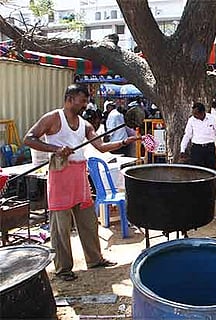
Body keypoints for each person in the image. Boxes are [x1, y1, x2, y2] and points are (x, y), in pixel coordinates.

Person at [23, 84, 139, 281]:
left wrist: (123, 143)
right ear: (69, 99)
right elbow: (29, 138)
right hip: (60, 174)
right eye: (82, 101)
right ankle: (63, 269)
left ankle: (94, 259)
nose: (85, 105)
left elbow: (101, 146)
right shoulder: (53, 118)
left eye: (86, 101)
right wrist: (55, 149)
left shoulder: (85, 124)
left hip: (79, 175)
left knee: (88, 221)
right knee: (61, 226)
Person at [180, 102, 216, 201]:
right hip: (197, 149)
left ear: (202, 112)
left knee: (212, 171)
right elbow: (187, 135)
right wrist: (182, 149)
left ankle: (214, 193)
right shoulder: (191, 120)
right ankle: (197, 193)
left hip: (209, 148)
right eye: (193, 113)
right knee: (197, 171)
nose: (194, 115)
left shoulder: (212, 118)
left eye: (196, 114)